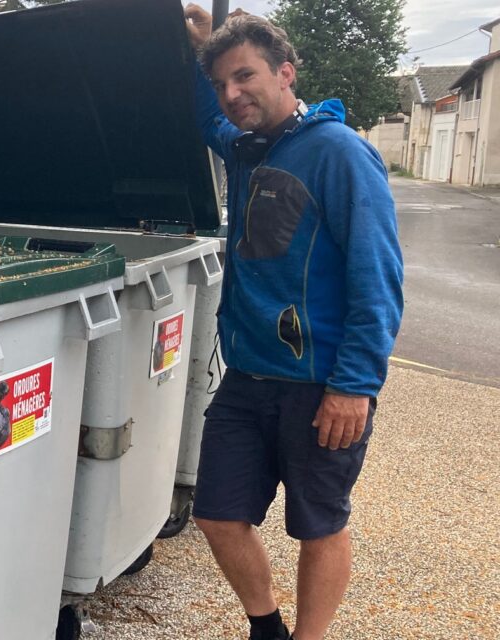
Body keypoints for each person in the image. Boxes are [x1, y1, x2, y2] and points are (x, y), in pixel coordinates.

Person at [182, 6, 404, 640]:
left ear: (286, 71)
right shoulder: (247, 146)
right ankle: (267, 629)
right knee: (218, 515)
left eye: (245, 76)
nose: (233, 94)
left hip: (320, 386)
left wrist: (354, 385)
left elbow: (378, 278)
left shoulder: (341, 153)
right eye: (223, 82)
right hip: (248, 378)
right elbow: (208, 118)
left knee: (319, 524)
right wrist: (197, 48)